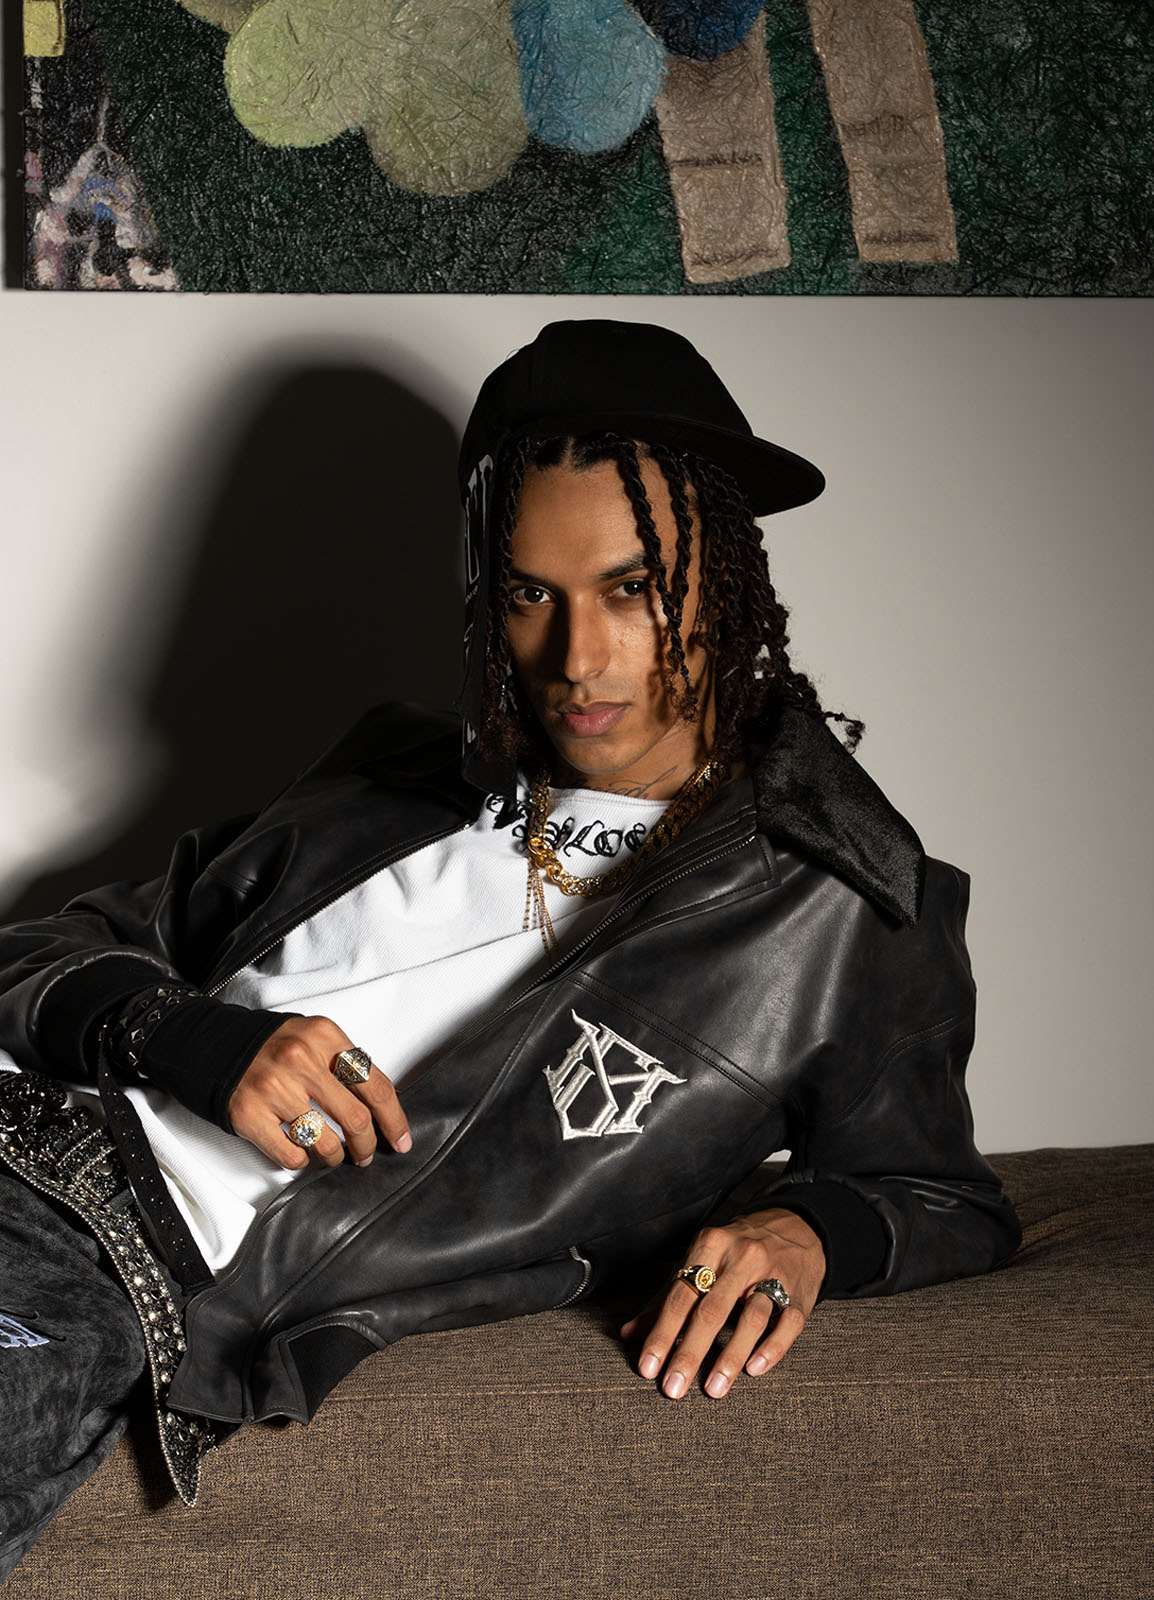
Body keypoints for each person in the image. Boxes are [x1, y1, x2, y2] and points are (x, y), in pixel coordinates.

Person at [0, 320, 1020, 1575]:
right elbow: (50, 947)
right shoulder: (396, 771)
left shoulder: (841, 902)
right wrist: (198, 1040)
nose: (576, 659)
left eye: (632, 590)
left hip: (111, 1251)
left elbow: (942, 1195)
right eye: (533, 594)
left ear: (725, 579)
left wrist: (809, 1230)